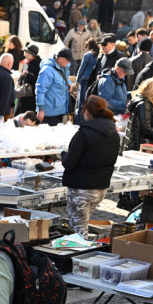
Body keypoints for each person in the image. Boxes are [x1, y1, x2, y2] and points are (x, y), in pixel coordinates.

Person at [62, 96, 120, 236]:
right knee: (82, 226)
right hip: (100, 188)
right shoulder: (114, 134)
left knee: (78, 232)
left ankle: (77, 256)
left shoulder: (83, 134)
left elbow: (69, 163)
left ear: (87, 112)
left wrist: (63, 155)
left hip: (81, 189)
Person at [124, 78, 153, 151]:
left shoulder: (147, 103)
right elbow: (146, 129)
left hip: (143, 144)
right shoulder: (144, 105)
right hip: (141, 145)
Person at [35, 48, 73, 125]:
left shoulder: (63, 65)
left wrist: (69, 83)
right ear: (60, 58)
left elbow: (65, 77)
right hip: (49, 113)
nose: (69, 62)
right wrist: (41, 110)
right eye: (67, 60)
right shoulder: (47, 70)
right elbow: (40, 90)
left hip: (60, 110)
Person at [15, 44, 42, 116]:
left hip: (31, 96)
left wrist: (28, 75)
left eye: (26, 53)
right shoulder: (26, 62)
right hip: (23, 93)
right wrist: (20, 80)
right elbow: (23, 73)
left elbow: (39, 80)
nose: (24, 54)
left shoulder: (39, 64)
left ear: (32, 54)